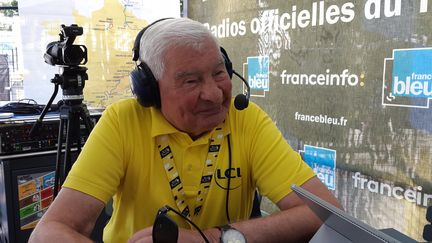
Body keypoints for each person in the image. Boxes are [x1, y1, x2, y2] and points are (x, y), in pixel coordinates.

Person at [29, 17, 341, 243]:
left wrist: (214, 239)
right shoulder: (122, 121)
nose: (215, 94)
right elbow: (49, 231)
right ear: (149, 89)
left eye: (219, 73)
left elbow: (325, 213)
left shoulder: (246, 119)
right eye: (191, 81)